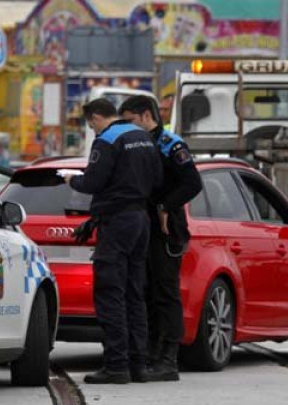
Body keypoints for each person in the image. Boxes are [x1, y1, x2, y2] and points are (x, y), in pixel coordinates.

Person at [63, 98, 162, 384]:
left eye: (90, 123)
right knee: (135, 294)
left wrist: (72, 180)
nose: (92, 129)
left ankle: (116, 366)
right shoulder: (142, 136)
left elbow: (92, 183)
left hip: (117, 223)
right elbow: (157, 180)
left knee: (110, 293)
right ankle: (138, 365)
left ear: (95, 117)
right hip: (141, 219)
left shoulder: (106, 140)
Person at [120, 95, 202, 382]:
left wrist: (166, 206)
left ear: (145, 116)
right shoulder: (135, 144)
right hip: (142, 225)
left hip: (167, 227)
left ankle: (168, 359)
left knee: (165, 293)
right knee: (144, 293)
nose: (127, 127)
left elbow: (193, 183)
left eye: (130, 120)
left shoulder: (170, 144)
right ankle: (149, 354)